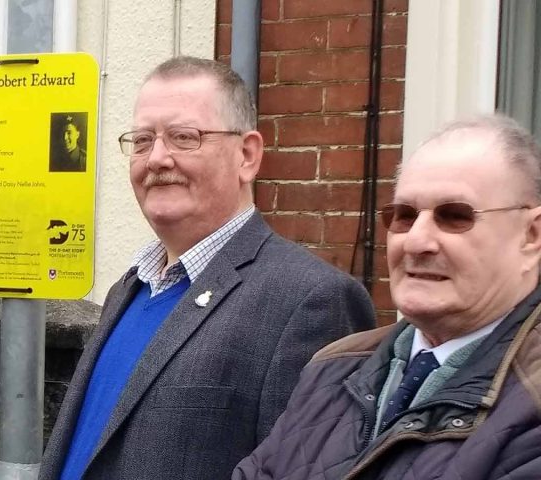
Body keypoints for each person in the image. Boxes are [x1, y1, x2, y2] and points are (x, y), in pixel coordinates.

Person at [38, 56, 376, 480]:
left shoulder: (311, 301)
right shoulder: (129, 289)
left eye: (184, 137)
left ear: (247, 156)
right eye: (142, 141)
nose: (157, 158)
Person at [233, 115, 541, 479]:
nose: (416, 241)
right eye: (404, 216)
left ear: (530, 236)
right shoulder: (332, 367)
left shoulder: (529, 403)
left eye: (454, 216)